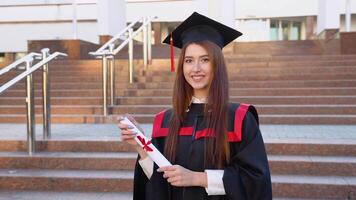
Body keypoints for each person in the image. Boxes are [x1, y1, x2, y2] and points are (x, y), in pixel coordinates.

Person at [118, 12, 272, 200]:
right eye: (189, 60)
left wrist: (198, 178)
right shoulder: (165, 120)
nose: (196, 68)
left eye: (205, 59)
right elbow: (160, 181)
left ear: (217, 65)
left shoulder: (239, 118)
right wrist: (141, 145)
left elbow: (255, 181)